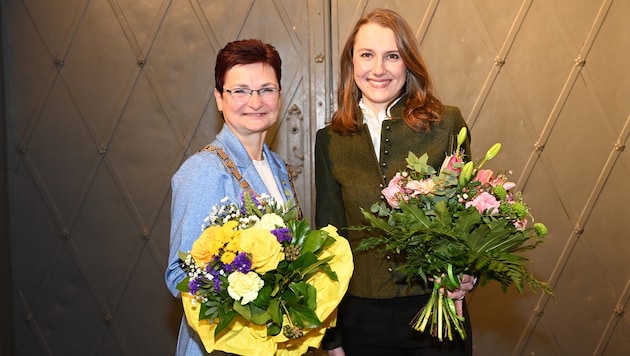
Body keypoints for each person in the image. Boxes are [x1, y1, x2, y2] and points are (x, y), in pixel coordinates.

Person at [315, 9, 475, 356]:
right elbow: (329, 240)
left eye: (392, 56)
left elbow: (470, 219)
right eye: (367, 55)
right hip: (359, 321)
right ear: (351, 63)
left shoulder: (446, 124)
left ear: (409, 63)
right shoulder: (330, 140)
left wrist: (466, 274)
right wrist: (332, 339)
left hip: (435, 317)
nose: (378, 69)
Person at [165, 39, 297, 355]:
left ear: (279, 95)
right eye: (239, 91)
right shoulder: (205, 171)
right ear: (219, 99)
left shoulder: (276, 165)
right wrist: (246, 289)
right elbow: (180, 276)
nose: (255, 101)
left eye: (267, 89)